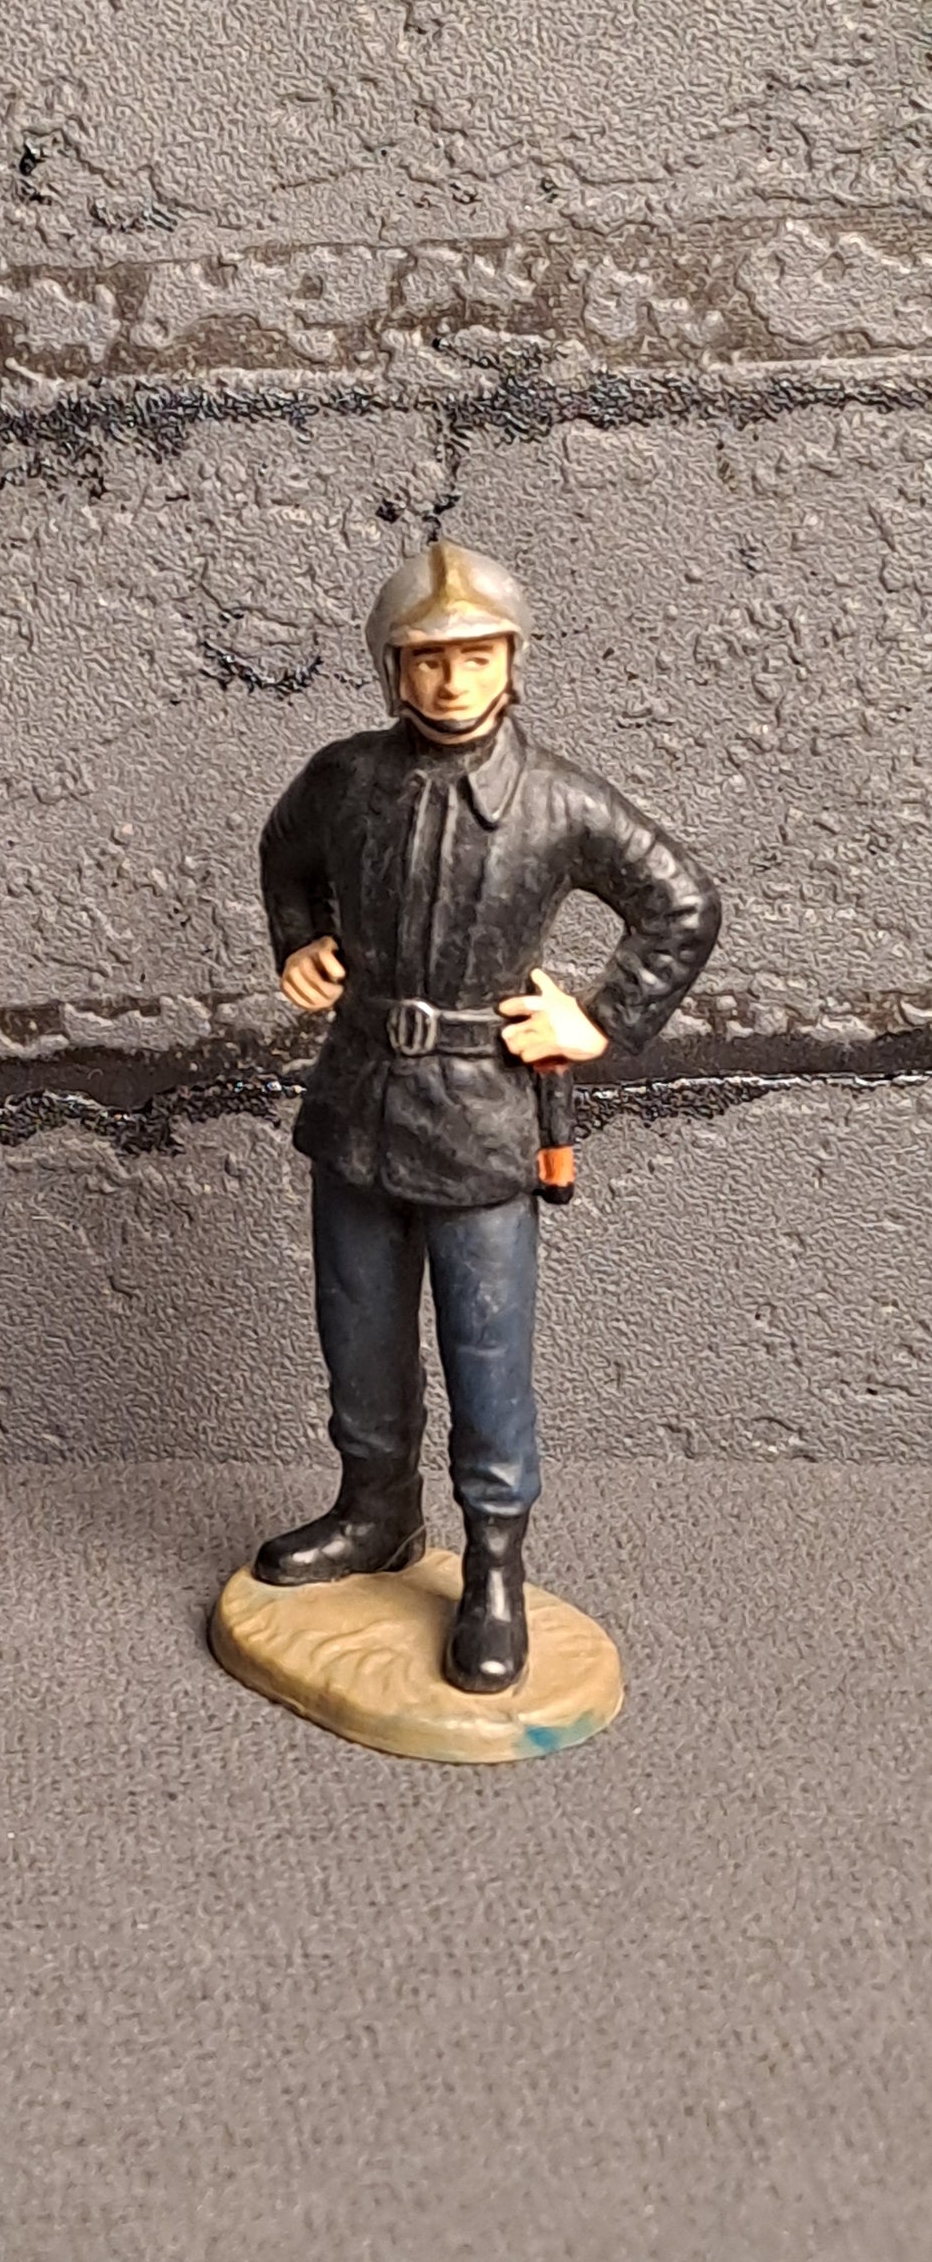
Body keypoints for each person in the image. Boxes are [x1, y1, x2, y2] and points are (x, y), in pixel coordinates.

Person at [257, 543, 722, 1689]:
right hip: (358, 1099)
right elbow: (284, 850)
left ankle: (493, 1564)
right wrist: (298, 943)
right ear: (391, 670)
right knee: (355, 1331)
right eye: (426, 659)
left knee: (484, 1353)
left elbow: (680, 902)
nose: (451, 679)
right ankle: (373, 1511)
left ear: (511, 661)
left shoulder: (556, 800)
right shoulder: (344, 779)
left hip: (479, 1115)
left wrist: (598, 1019)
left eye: (474, 656)